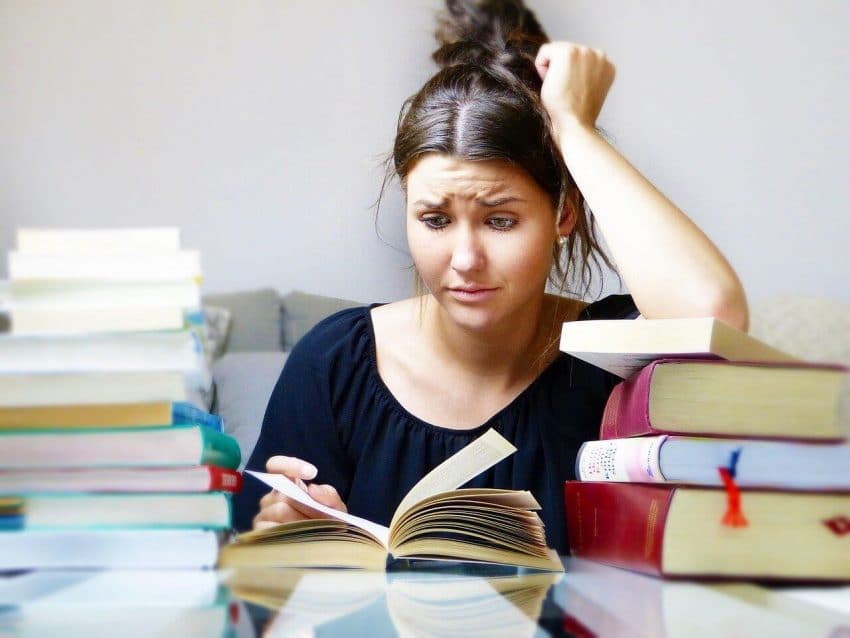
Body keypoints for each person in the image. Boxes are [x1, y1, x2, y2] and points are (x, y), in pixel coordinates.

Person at [232, 0, 748, 554]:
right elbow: (262, 583)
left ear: (563, 215)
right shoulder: (334, 363)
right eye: (435, 220)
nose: (465, 258)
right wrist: (283, 535)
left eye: (500, 221)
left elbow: (715, 317)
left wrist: (575, 128)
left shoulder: (610, 360)